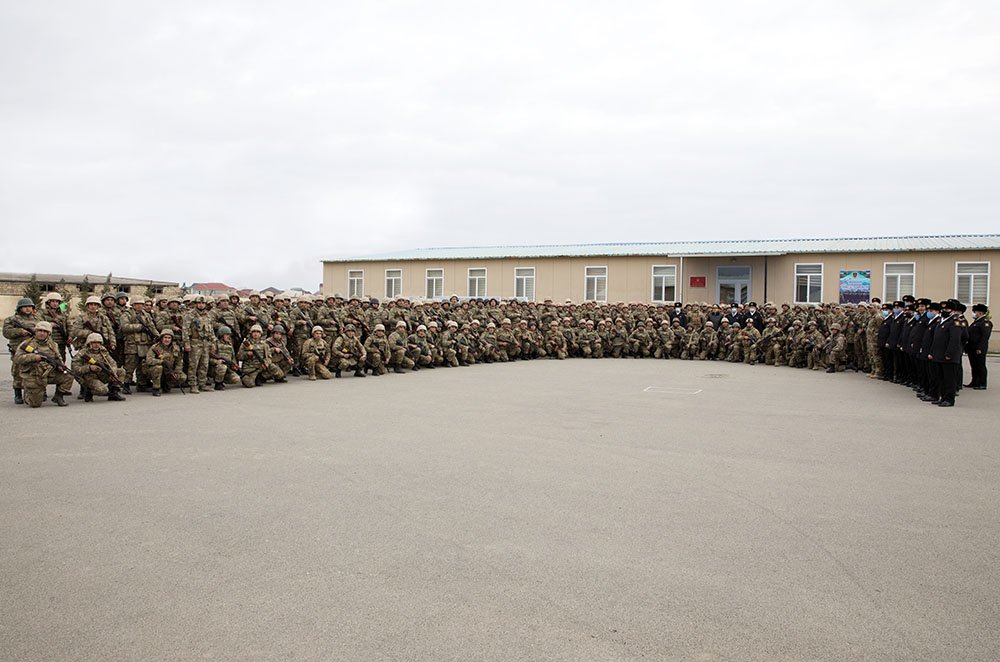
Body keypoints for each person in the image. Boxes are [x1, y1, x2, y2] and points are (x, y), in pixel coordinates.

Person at [12, 321, 74, 407]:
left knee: (68, 376)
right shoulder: (27, 344)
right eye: (40, 331)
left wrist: (60, 366)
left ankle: (58, 396)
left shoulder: (53, 345)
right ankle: (28, 392)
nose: (42, 333)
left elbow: (58, 358)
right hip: (33, 374)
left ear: (49, 333)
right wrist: (34, 357)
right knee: (35, 404)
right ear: (36, 331)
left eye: (45, 331)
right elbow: (17, 359)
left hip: (49, 373)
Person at [4, 297, 40, 404]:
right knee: (17, 371)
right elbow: (6, 332)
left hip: (34, 349)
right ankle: (18, 394)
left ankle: (36, 392)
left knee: (35, 370)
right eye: (25, 307)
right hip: (18, 349)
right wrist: (20, 332)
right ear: (20, 308)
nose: (28, 309)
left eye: (29, 307)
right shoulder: (11, 319)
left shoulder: (37, 319)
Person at [72, 333, 127, 402]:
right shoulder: (83, 353)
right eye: (94, 343)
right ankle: (88, 392)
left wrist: (113, 372)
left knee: (121, 371)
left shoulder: (103, 351)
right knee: (103, 391)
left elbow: (112, 363)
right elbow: (75, 369)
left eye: (98, 343)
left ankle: (114, 393)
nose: (96, 345)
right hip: (90, 377)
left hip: (102, 374)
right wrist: (89, 368)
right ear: (89, 343)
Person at [144, 329, 187, 396]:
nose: (167, 340)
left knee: (182, 377)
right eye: (165, 337)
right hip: (154, 371)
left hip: (168, 371)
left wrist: (177, 371)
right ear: (161, 338)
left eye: (169, 338)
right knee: (158, 368)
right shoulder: (155, 347)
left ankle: (166, 384)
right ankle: (156, 388)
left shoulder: (176, 348)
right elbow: (149, 360)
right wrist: (161, 362)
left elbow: (179, 362)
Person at [965, 304, 992, 389]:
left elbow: (985, 337)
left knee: (980, 365)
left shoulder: (985, 322)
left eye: (975, 312)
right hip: (972, 347)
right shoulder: (977, 322)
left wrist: (980, 348)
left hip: (978, 348)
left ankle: (982, 383)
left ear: (980, 312)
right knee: (974, 365)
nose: (974, 313)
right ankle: (975, 381)